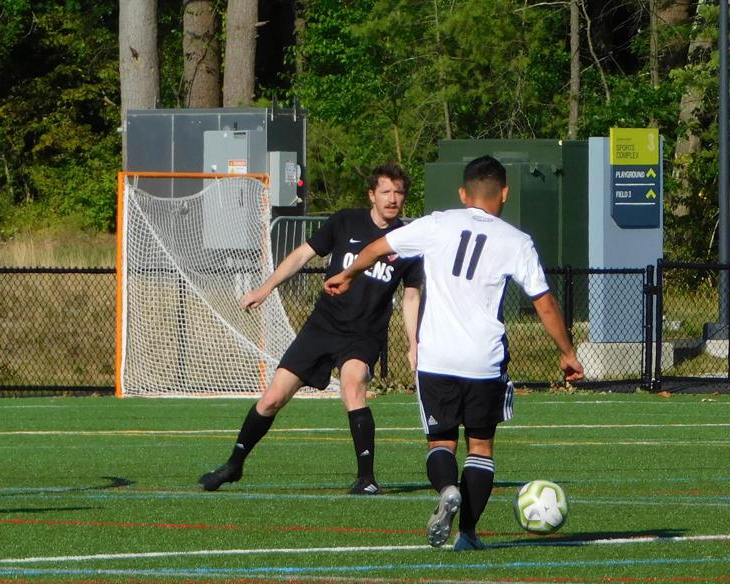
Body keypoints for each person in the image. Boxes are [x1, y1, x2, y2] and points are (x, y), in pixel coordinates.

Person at [324, 155, 583, 549]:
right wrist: (566, 352)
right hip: (484, 360)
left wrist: (348, 273)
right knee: (481, 448)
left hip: (436, 358)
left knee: (440, 443)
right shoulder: (516, 241)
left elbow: (377, 247)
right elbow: (543, 302)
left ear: (463, 194)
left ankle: (447, 488)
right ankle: (468, 534)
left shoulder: (437, 223)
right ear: (504, 194)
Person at [199, 163, 422, 495]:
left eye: (399, 192)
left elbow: (412, 296)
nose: (393, 198)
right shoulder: (345, 221)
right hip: (323, 326)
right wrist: (265, 288)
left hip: (363, 335)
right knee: (272, 398)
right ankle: (233, 465)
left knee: (352, 387)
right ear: (371, 195)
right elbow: (302, 255)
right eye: (386, 191)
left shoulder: (408, 242)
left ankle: (367, 479)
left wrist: (413, 343)